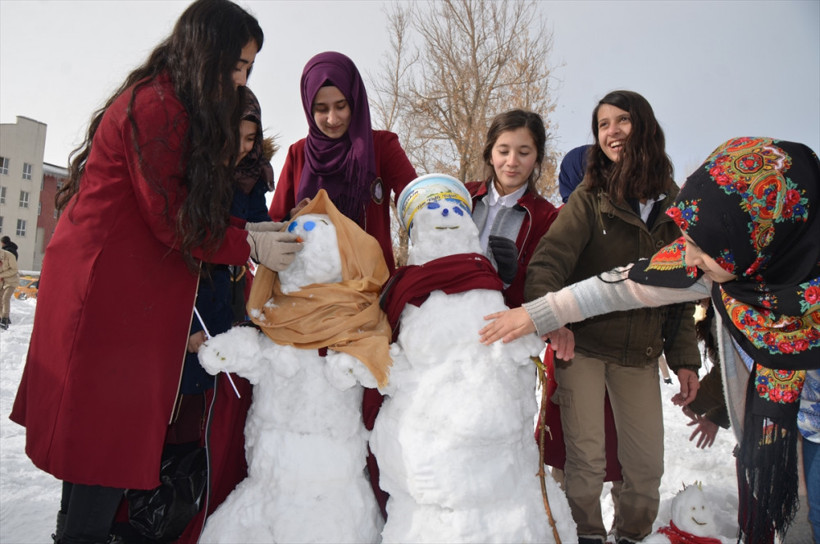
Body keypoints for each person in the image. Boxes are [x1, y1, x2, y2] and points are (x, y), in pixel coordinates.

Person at [9, 2, 303, 543]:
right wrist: (252, 244)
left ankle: (72, 533)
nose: (240, 80)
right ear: (207, 51)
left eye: (248, 70)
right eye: (237, 65)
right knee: (105, 438)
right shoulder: (160, 106)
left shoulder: (168, 99)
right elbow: (174, 221)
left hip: (121, 285)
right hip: (108, 291)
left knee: (95, 439)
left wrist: (249, 237)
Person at [480, 136, 820, 543]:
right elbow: (620, 286)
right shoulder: (741, 265)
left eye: (700, 248)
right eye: (687, 242)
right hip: (784, 437)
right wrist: (536, 313)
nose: (689, 258)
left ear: (757, 238)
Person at [521, 90, 701, 544]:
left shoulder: (674, 205)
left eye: (622, 121)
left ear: (644, 125)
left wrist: (685, 360)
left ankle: (632, 537)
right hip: (582, 347)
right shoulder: (590, 198)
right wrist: (552, 319)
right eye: (603, 125)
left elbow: (682, 291)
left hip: (640, 352)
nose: (612, 132)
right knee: (586, 460)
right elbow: (548, 262)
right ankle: (587, 537)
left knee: (644, 467)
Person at [268, 50, 417, 516]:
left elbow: (415, 201)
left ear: (355, 101)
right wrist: (291, 223)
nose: (332, 118)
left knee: (371, 408)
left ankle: (377, 512)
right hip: (310, 305)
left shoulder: (381, 147)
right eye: (321, 108)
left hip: (369, 303)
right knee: (320, 411)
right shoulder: (297, 155)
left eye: (341, 106)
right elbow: (272, 225)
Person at [465, 108, 559, 308]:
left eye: (524, 153)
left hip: (502, 326)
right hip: (447, 315)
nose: (512, 162)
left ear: (536, 159)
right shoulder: (463, 196)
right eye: (503, 151)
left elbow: (541, 292)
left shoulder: (545, 217)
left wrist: (513, 275)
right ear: (490, 155)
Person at [0, 247, 19, 329]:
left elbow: (14, 270)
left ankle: (5, 318)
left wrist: (1, 275)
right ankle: (2, 317)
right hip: (2, 282)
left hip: (11, 281)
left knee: (5, 297)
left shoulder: (9, 256)